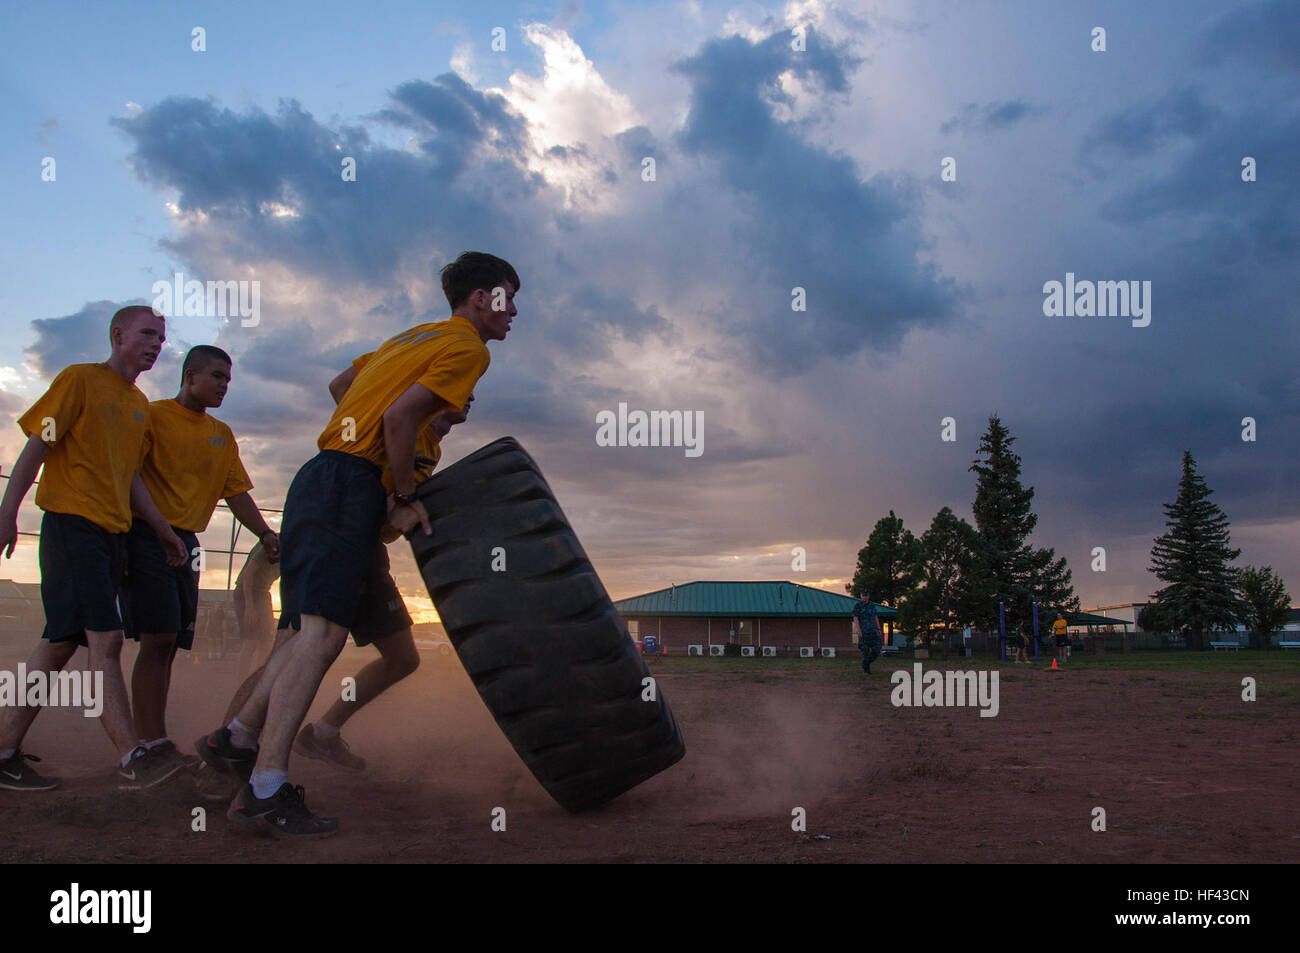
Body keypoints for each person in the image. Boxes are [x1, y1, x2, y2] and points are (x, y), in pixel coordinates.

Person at [195, 251, 518, 837]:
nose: (513, 311)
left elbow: (343, 384)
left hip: (326, 478)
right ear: (480, 299)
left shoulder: (411, 338)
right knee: (319, 636)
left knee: (307, 634)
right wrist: (396, 491)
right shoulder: (471, 347)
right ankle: (263, 789)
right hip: (349, 485)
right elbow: (398, 419)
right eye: (507, 297)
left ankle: (236, 737)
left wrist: (365, 441)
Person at [193, 400, 471, 802]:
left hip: (368, 551)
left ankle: (322, 733)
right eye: (464, 394)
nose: (471, 399)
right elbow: (344, 392)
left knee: (402, 657)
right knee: (290, 648)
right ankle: (224, 757)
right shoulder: (397, 417)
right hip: (332, 534)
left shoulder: (431, 447)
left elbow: (391, 517)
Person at [0, 306, 186, 791]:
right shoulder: (79, 380)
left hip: (113, 536)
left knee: (60, 643)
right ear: (118, 334)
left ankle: (3, 749)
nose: (156, 344)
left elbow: (131, 477)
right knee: (107, 640)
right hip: (72, 527)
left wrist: (164, 529)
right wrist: (6, 513)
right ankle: (132, 756)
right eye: (148, 334)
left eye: (162, 339)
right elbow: (36, 447)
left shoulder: (140, 405)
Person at [120, 345, 279, 771]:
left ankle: (156, 740)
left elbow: (236, 492)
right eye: (216, 376)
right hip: (146, 535)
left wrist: (265, 533)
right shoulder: (152, 417)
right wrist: (157, 529)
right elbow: (127, 473)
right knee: (156, 640)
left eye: (228, 379)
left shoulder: (222, 434)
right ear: (190, 376)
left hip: (187, 543)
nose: (224, 386)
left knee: (170, 643)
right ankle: (150, 744)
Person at [233, 540, 280, 681]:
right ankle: (241, 682)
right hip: (245, 590)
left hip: (263, 592)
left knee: (266, 641)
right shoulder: (275, 542)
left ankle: (254, 681)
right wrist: (250, 607)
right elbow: (248, 574)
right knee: (251, 640)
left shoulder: (296, 551)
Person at [853, 590, 881, 674]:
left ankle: (866, 663)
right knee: (865, 651)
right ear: (861, 596)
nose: (864, 597)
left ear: (868, 596)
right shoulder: (858, 606)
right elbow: (855, 618)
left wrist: (879, 628)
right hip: (863, 632)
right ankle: (866, 670)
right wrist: (858, 630)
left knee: (877, 649)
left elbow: (875, 616)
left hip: (873, 631)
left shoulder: (872, 605)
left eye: (866, 595)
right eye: (863, 595)